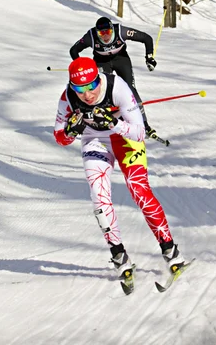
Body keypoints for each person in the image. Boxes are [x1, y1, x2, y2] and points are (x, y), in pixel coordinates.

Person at [53, 57, 186, 281]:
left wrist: (115, 124)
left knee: (138, 189)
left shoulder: (117, 87)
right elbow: (59, 138)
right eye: (80, 88)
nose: (87, 94)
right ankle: (118, 254)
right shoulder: (67, 99)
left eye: (92, 85)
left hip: (125, 138)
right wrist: (70, 131)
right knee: (98, 194)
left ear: (98, 79)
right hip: (94, 140)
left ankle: (170, 249)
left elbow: (140, 133)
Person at [69, 16, 157, 137]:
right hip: (101, 61)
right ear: (97, 32)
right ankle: (99, 123)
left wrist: (149, 57)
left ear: (112, 30)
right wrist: (82, 67)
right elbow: (74, 50)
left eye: (108, 32)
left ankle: (144, 124)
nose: (105, 36)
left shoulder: (122, 31)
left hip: (121, 59)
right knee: (104, 91)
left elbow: (146, 38)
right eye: (101, 33)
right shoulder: (90, 36)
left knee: (131, 90)